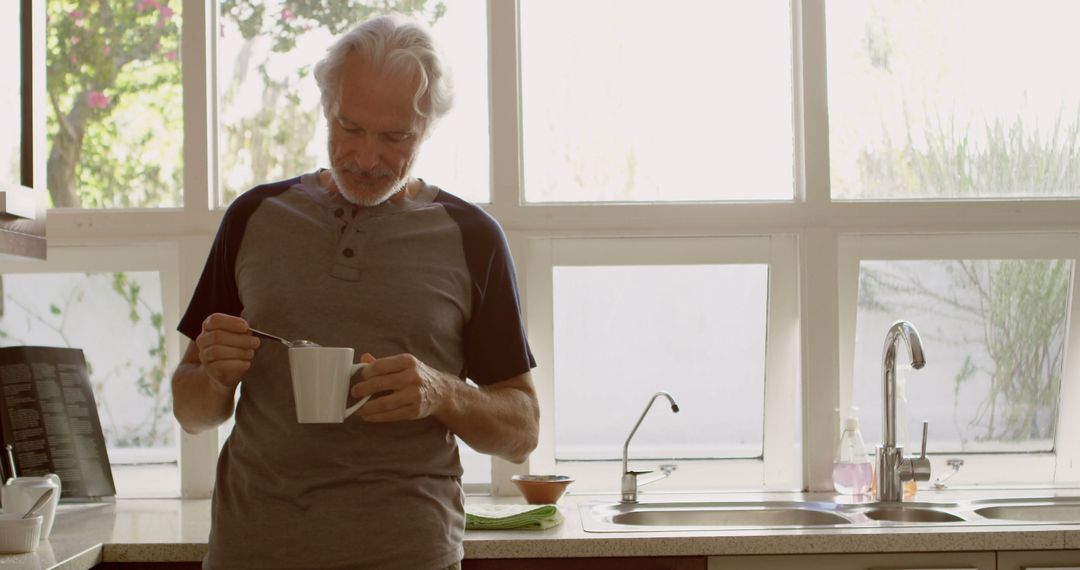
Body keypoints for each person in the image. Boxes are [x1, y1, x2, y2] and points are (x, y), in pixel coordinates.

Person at [171, 14, 539, 570]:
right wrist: (216, 376)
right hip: (251, 553)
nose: (367, 159)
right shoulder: (253, 217)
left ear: (428, 129)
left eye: (395, 138)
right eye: (350, 127)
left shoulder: (474, 238)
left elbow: (522, 433)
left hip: (409, 556)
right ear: (325, 109)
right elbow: (191, 410)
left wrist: (442, 392)